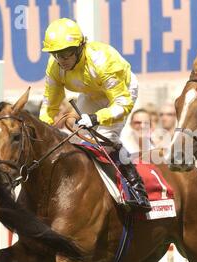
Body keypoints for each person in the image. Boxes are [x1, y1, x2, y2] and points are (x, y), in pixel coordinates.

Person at [39, 18, 151, 213]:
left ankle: (136, 187)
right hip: (91, 93)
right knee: (77, 141)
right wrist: (40, 133)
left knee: (105, 139)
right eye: (56, 54)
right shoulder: (54, 66)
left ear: (81, 46)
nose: (62, 59)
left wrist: (96, 118)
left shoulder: (102, 61)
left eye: (67, 53)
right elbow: (49, 106)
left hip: (120, 93)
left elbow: (121, 103)